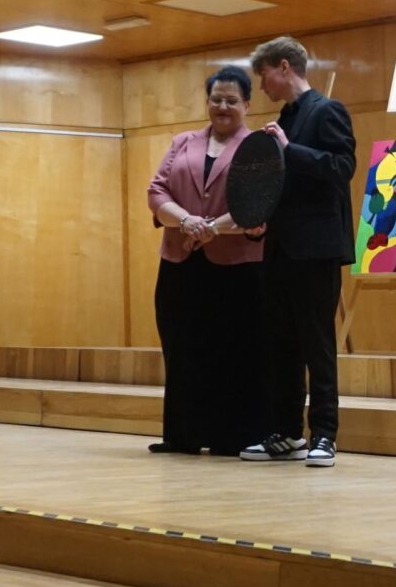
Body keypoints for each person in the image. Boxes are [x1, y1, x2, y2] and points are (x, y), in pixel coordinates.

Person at [243, 36, 355, 467]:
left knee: (317, 344)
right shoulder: (284, 118)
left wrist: (291, 150)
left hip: (316, 249)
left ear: (284, 67)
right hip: (280, 248)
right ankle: (288, 433)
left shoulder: (327, 110)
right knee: (282, 344)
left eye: (264, 75)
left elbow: (342, 167)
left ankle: (324, 434)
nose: (262, 86)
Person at [145, 66, 268, 455]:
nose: (223, 107)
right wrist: (187, 220)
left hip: (238, 267)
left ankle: (230, 437)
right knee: (182, 346)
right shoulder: (183, 142)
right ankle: (183, 435)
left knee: (232, 349)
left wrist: (213, 227)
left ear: (247, 104)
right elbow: (157, 191)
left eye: (231, 100)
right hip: (180, 262)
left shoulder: (259, 146)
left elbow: (258, 203)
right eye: (216, 99)